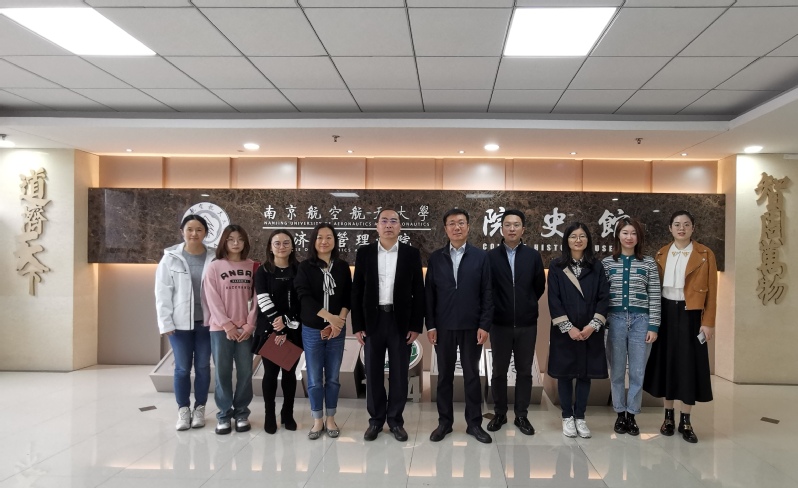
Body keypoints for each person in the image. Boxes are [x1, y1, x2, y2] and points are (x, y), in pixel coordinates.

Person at [644, 210, 718, 443]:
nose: (681, 228)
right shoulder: (661, 253)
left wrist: (708, 322)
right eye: (677, 224)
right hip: (665, 312)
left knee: (688, 366)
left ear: (693, 228)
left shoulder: (705, 254)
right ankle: (668, 417)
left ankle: (686, 420)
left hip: (691, 314)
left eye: (686, 224)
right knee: (666, 364)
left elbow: (712, 293)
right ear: (670, 228)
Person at [352, 208, 425, 442]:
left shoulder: (411, 254)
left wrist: (416, 325)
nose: (389, 225)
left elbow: (419, 291)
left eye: (394, 221)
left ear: (400, 226)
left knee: (399, 373)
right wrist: (357, 325)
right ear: (377, 226)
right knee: (373, 372)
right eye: (384, 221)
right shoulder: (364, 253)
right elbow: (357, 291)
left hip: (400, 322)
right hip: (372, 321)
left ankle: (395, 421)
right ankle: (375, 421)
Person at [425, 208, 494, 444]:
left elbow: (488, 293)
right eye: (452, 223)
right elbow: (429, 295)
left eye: (461, 223)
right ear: (445, 229)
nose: (457, 227)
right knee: (444, 376)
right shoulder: (436, 258)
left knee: (472, 376)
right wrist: (431, 325)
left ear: (468, 227)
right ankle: (444, 423)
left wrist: (484, 324)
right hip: (443, 326)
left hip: (471, 326)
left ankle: (474, 424)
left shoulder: (481, 257)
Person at [486, 209, 545, 436]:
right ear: (501, 228)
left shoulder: (532, 256)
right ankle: (500, 413)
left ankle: (521, 415)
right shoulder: (490, 257)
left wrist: (525, 304)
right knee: (499, 371)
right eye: (508, 225)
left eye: (516, 225)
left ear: (523, 229)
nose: (512, 229)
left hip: (526, 324)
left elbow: (538, 287)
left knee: (524, 371)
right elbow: (487, 289)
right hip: (499, 324)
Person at [547, 223, 609, 439]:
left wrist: (593, 325)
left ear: (588, 240)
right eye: (573, 236)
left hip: (589, 330)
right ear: (567, 240)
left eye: (582, 236)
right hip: (565, 331)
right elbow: (553, 299)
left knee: (585, 374)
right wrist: (568, 327)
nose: (578, 240)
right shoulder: (557, 266)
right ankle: (567, 416)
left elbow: (604, 297)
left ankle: (580, 416)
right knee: (565, 374)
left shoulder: (596, 266)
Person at [155, 214, 215, 431]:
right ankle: (183, 410)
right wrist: (165, 323)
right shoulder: (171, 258)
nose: (194, 234)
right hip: (179, 325)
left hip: (207, 323)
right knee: (182, 368)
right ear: (182, 232)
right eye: (190, 229)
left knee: (203, 367)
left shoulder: (214, 257)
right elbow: (162, 292)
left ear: (206, 232)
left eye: (199, 229)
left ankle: (199, 408)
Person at [601, 218, 660, 436]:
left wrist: (653, 326)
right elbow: (601, 296)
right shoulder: (607, 263)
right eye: (625, 233)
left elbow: (655, 296)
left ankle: (632, 414)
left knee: (637, 371)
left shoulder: (649, 263)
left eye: (633, 233)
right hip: (614, 321)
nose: (629, 237)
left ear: (639, 237)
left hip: (641, 322)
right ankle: (619, 413)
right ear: (618, 235)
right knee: (616, 371)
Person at [295, 222, 352, 440]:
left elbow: (348, 296)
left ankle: (331, 418)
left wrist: (340, 321)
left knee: (334, 377)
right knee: (315, 378)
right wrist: (330, 318)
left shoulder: (342, 267)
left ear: (335, 241)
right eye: (320, 237)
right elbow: (304, 296)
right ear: (313, 241)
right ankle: (317, 419)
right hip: (312, 329)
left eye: (329, 237)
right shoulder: (305, 267)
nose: (324, 241)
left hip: (337, 330)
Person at [203, 224, 257, 435]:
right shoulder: (215, 267)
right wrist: (227, 325)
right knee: (222, 373)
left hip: (245, 330)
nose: (236, 243)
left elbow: (258, 299)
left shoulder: (253, 266)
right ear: (224, 242)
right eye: (231, 239)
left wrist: (249, 325)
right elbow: (212, 298)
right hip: (220, 329)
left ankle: (242, 413)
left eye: (240, 239)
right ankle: (224, 415)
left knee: (245, 372)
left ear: (245, 243)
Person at [252, 229, 302, 434]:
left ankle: (287, 414)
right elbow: (262, 298)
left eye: (286, 243)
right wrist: (277, 323)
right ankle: (269, 415)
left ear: (292, 246)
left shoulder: (300, 269)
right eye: (277, 243)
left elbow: (302, 298)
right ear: (270, 247)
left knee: (289, 374)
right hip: (269, 329)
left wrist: (286, 321)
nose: (282, 247)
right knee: (270, 374)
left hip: (293, 328)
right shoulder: (263, 271)